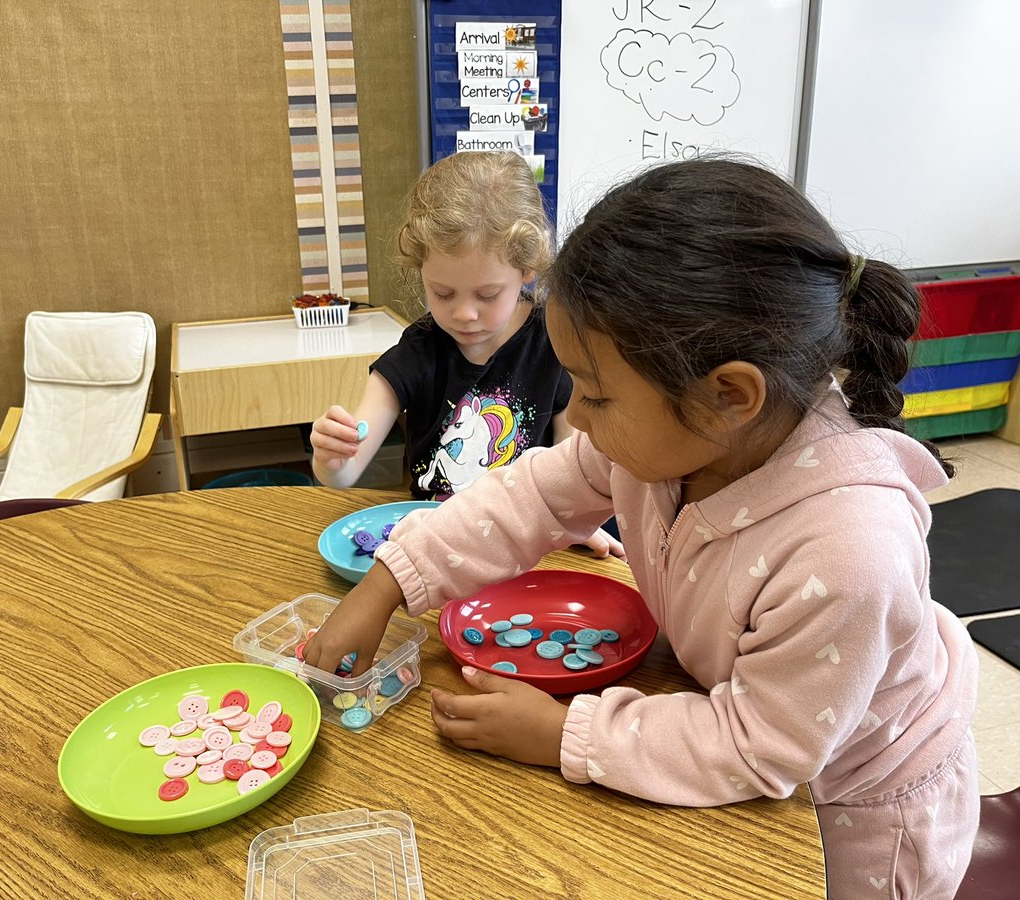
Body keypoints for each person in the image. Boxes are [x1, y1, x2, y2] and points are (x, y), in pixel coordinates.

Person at [305, 159, 980, 899]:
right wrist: (386, 583)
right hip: (744, 724)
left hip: (856, 818)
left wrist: (564, 734)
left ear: (729, 395)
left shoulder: (852, 555)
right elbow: (530, 494)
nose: (580, 423)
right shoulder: (673, 439)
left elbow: (758, 747)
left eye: (594, 396)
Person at [309, 150, 622, 557]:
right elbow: (345, 472)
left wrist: (573, 523)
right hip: (434, 549)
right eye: (442, 293)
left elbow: (573, 476)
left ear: (527, 268)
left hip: (526, 549)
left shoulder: (558, 344)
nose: (464, 313)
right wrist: (331, 459)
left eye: (487, 294)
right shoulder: (417, 353)